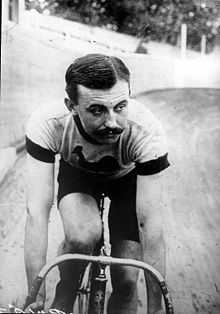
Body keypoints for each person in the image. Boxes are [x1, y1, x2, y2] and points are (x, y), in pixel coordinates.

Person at [24, 53, 170, 314]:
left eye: (120, 106)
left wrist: (156, 309)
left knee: (127, 277)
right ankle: (65, 294)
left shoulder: (147, 132)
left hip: (127, 181)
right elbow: (36, 214)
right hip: (78, 176)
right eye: (97, 110)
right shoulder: (48, 123)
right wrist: (35, 295)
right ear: (71, 105)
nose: (112, 122)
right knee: (82, 237)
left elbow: (151, 226)